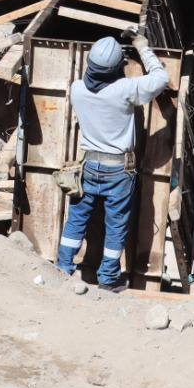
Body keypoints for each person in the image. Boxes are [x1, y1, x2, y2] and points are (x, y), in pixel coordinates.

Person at [57, 33, 170, 289]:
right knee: (116, 225)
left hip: (86, 167)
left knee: (76, 220)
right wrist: (142, 47)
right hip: (118, 169)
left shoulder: (77, 89)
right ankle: (107, 279)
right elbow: (161, 78)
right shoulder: (125, 90)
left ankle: (62, 268)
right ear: (117, 68)